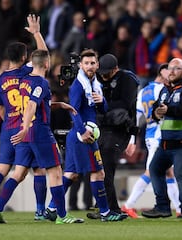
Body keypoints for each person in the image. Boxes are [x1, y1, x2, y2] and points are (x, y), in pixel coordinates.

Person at [0, 14, 48, 222]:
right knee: (37, 169)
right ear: (25, 58)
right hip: (26, 127)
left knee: (2, 168)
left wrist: (9, 120)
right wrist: (36, 33)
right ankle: (39, 210)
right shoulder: (27, 72)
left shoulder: (0, 80)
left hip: (8, 127)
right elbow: (44, 56)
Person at [44, 49, 128, 222]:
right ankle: (105, 213)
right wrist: (82, 131)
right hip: (82, 135)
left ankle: (52, 208)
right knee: (98, 173)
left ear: (97, 65)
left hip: (83, 135)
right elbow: (72, 110)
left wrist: (102, 101)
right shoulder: (77, 85)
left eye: (92, 63)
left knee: (71, 175)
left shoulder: (95, 85)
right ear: (81, 65)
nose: (90, 66)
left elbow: (103, 110)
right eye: (86, 63)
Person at [6, 49, 82, 224]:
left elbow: (37, 103)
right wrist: (24, 127)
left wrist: (58, 105)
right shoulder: (42, 82)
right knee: (55, 173)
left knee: (20, 173)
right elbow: (32, 104)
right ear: (47, 64)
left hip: (30, 132)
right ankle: (62, 216)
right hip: (40, 131)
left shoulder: (25, 80)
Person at [141, 58, 182, 219]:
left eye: (177, 68)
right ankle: (162, 207)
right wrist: (156, 113)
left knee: (181, 175)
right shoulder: (166, 90)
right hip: (167, 142)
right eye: (170, 68)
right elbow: (156, 108)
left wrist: (168, 110)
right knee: (155, 169)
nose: (172, 71)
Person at [121, 63, 181, 218]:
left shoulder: (143, 92)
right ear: (162, 74)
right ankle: (128, 205)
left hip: (150, 134)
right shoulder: (162, 90)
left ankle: (180, 208)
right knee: (152, 171)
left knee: (168, 172)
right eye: (169, 72)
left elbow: (136, 118)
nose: (172, 76)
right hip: (159, 135)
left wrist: (132, 139)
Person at [96, 53, 139, 214]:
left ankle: (112, 208)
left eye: (107, 72)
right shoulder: (99, 79)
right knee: (99, 170)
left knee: (106, 168)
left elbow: (125, 105)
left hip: (119, 129)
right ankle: (103, 206)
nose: (104, 76)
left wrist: (102, 103)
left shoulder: (127, 80)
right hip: (102, 128)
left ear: (116, 69)